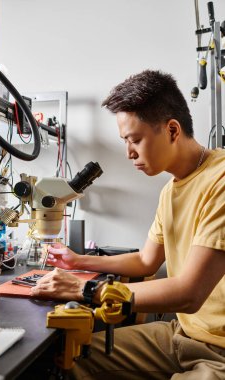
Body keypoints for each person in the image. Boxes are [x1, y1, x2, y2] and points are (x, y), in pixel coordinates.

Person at [31, 70, 225, 379]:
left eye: (135, 140)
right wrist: (77, 260)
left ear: (173, 131)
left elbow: (190, 293)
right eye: (125, 141)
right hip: (180, 336)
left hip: (219, 352)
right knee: (71, 358)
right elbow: (147, 260)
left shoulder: (220, 180)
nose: (129, 152)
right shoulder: (170, 191)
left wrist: (85, 288)